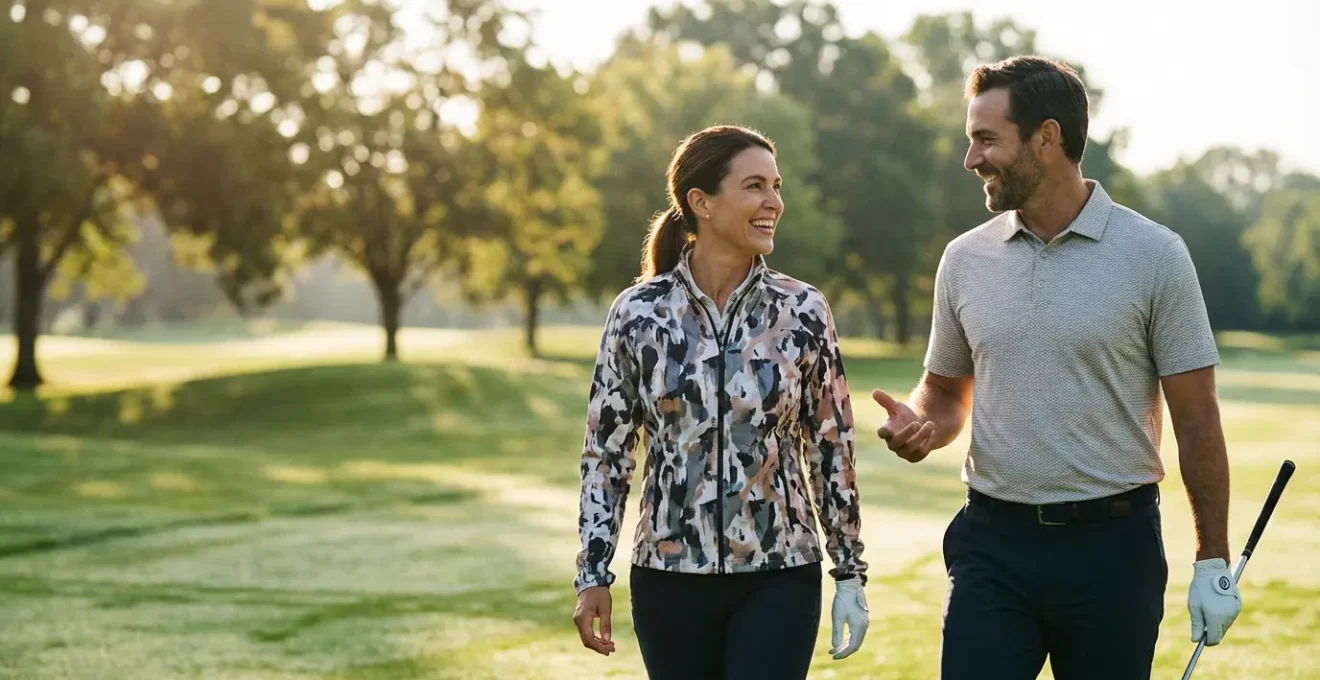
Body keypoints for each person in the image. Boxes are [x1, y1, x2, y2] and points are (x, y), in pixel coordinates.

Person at [870, 56, 1242, 679]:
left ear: (1047, 138)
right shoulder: (964, 259)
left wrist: (1212, 560)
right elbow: (944, 390)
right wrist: (924, 425)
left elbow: (1198, 418)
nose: (971, 160)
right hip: (992, 544)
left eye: (987, 140)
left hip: (1112, 553)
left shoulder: (1155, 256)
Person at [571, 125, 869, 679]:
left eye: (776, 187)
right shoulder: (639, 313)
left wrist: (849, 572)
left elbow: (832, 447)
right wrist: (592, 572)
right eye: (754, 186)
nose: (774, 203)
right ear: (701, 203)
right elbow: (606, 454)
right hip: (667, 577)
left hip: (780, 572)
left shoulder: (802, 309)